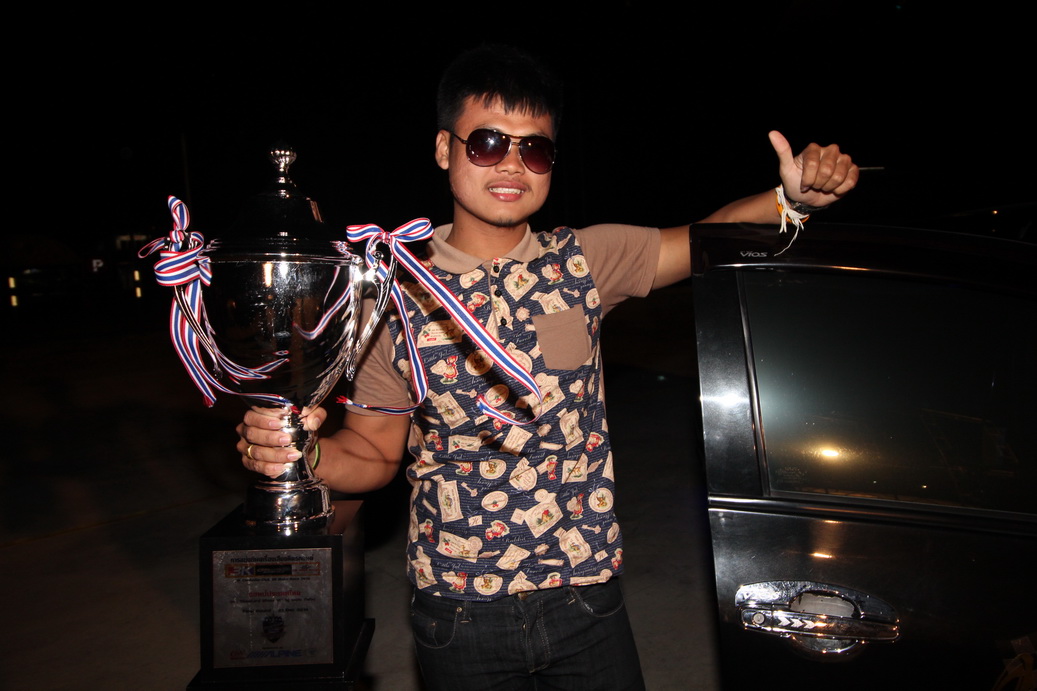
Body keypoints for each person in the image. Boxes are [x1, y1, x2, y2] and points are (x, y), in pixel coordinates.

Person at [237, 45, 858, 690]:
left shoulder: (586, 260)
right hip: (457, 610)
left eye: (534, 149)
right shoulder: (395, 297)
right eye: (487, 143)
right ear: (445, 149)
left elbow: (710, 235)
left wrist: (789, 199)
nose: (512, 164)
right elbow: (373, 453)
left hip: (587, 601)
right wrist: (302, 455)